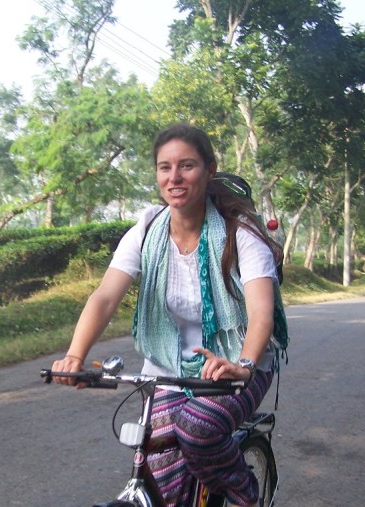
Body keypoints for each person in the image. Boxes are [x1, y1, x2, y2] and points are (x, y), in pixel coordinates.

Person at [51, 124, 280, 507]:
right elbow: (106, 296)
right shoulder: (148, 229)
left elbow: (261, 313)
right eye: (164, 167)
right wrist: (75, 355)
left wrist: (243, 364)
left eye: (186, 166)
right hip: (169, 363)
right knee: (156, 456)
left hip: (236, 363)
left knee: (196, 429)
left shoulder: (239, 233)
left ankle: (244, 494)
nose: (174, 177)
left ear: (209, 170)